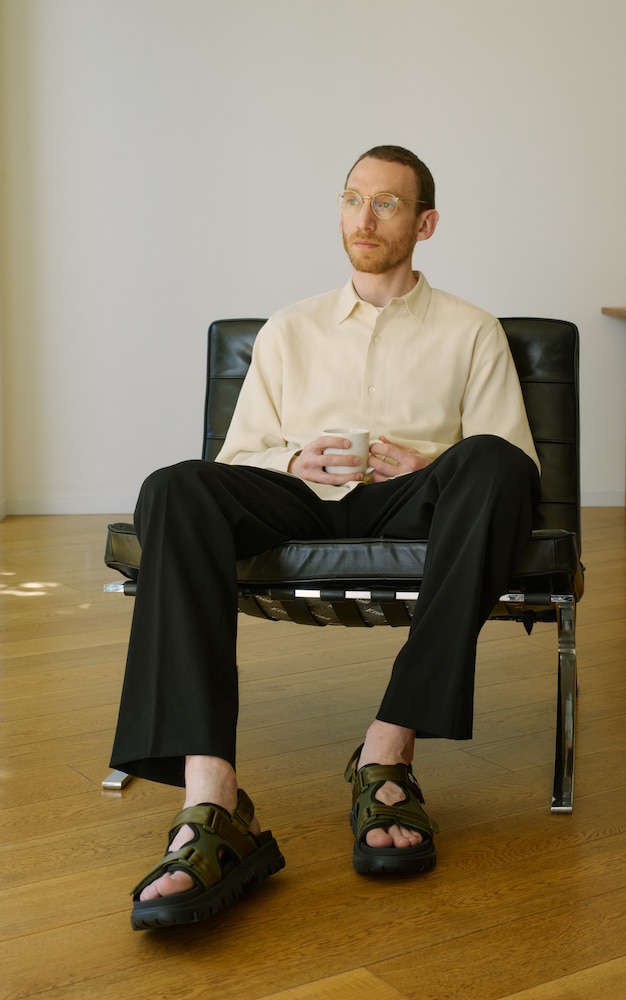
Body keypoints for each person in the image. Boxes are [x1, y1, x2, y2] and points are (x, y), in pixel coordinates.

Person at [111, 145, 541, 930]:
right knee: (174, 487)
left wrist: (432, 464)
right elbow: (237, 459)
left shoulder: (472, 329)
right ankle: (213, 801)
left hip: (412, 501)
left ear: (425, 223)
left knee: (496, 465)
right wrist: (291, 460)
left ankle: (387, 749)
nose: (363, 218)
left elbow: (511, 463)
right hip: (300, 497)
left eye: (386, 203)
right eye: (351, 198)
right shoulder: (289, 328)